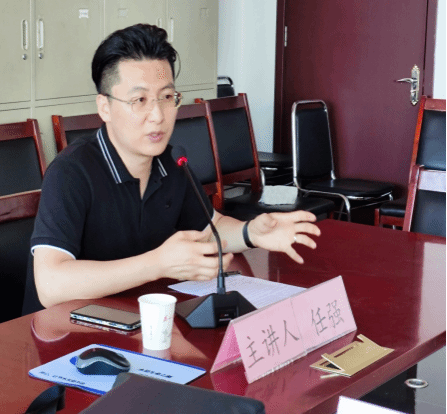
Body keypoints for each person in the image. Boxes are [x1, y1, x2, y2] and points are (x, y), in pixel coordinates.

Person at [22, 24, 320, 314]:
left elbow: (209, 228)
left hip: (137, 320)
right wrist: (157, 264)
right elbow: (51, 285)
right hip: (66, 334)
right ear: (104, 107)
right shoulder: (72, 172)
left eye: (167, 97)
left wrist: (250, 232)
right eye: (139, 100)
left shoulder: (170, 162)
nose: (157, 115)